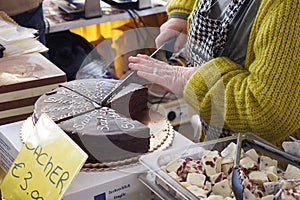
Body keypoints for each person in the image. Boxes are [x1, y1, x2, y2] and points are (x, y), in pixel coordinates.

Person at [128, 0, 300, 147]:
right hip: (217, 143)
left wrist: (189, 79)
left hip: (270, 168)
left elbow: (268, 113)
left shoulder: (290, 8)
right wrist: (181, 14)